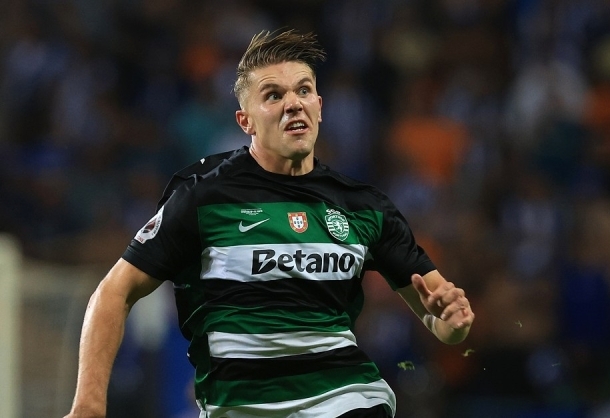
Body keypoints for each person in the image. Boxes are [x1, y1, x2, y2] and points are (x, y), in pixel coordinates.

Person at [64, 30, 474, 418]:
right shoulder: (204, 199)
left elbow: (440, 320)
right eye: (274, 95)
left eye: (304, 91)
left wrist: (452, 322)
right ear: (245, 121)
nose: (293, 104)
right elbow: (114, 292)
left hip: (345, 398)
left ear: (319, 106)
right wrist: (89, 404)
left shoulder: (365, 208)